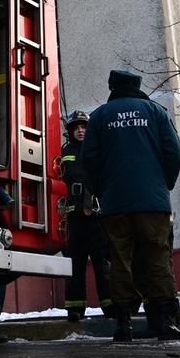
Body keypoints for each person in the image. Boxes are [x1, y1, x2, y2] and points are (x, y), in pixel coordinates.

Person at [82, 69, 180, 342]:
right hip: (153, 200)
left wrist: (103, 191)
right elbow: (174, 152)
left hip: (116, 202)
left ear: (112, 87)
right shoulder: (156, 112)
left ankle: (124, 325)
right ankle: (166, 322)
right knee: (158, 258)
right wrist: (165, 184)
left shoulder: (100, 116)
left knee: (119, 260)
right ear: (136, 86)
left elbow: (89, 158)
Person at [60, 110, 114, 322]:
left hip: (97, 217)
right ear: (70, 132)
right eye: (76, 128)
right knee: (74, 263)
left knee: (103, 263)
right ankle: (75, 308)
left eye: (84, 128)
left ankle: (110, 305)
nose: (81, 131)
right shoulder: (64, 152)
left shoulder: (99, 150)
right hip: (74, 217)